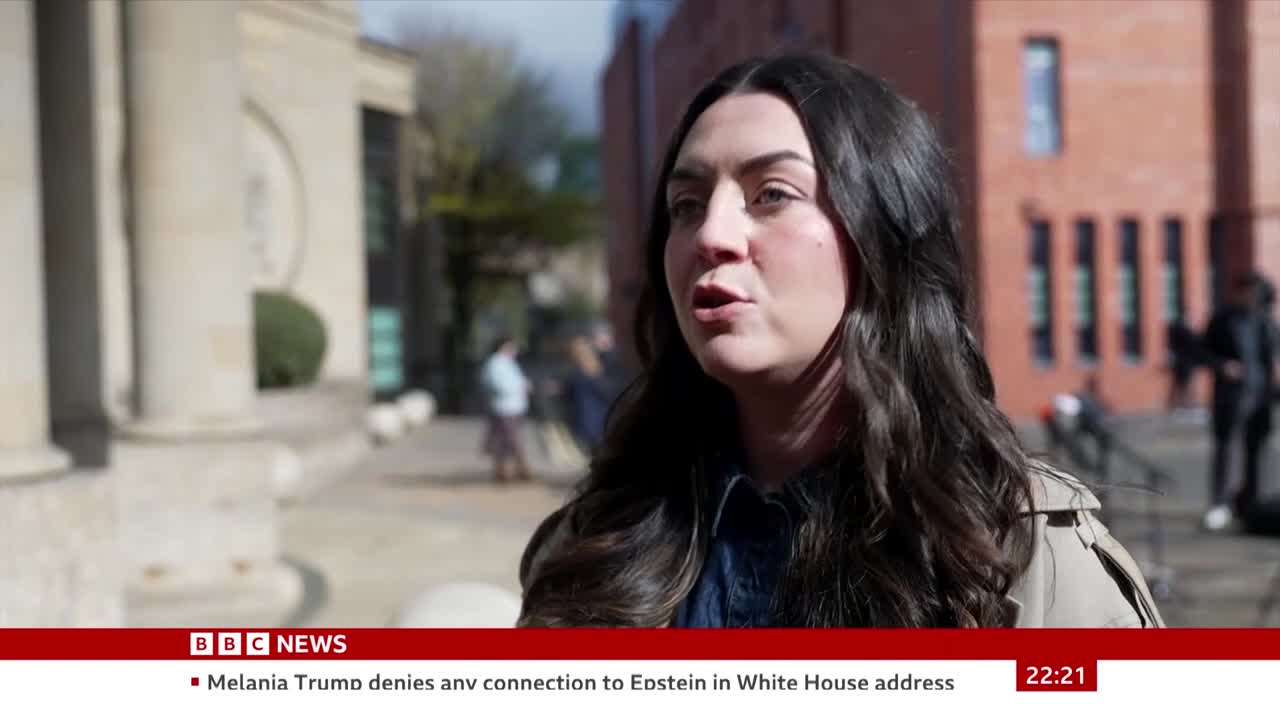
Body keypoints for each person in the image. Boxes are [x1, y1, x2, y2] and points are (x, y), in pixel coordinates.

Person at [517, 54, 1163, 628]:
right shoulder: (593, 546)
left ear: (881, 236)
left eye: (772, 194)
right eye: (686, 204)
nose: (712, 234)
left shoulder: (1029, 565)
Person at [1199, 273, 1279, 531]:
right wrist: (1223, 366)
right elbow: (1202, 351)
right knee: (1227, 449)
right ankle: (1220, 503)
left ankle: (1249, 503)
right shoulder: (1222, 320)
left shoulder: (1265, 321)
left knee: (1256, 451)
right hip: (1231, 396)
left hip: (1261, 395)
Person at [480, 336, 532, 484]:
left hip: (514, 407)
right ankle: (522, 470)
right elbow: (497, 385)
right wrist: (520, 386)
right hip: (504, 407)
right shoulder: (495, 363)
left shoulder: (508, 362)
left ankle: (503, 471)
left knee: (504, 441)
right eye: (512, 347)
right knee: (511, 440)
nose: (515, 350)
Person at [561, 336, 612, 457]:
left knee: (594, 454)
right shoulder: (597, 370)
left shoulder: (576, 375)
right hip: (601, 417)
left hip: (586, 419)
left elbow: (570, 397)